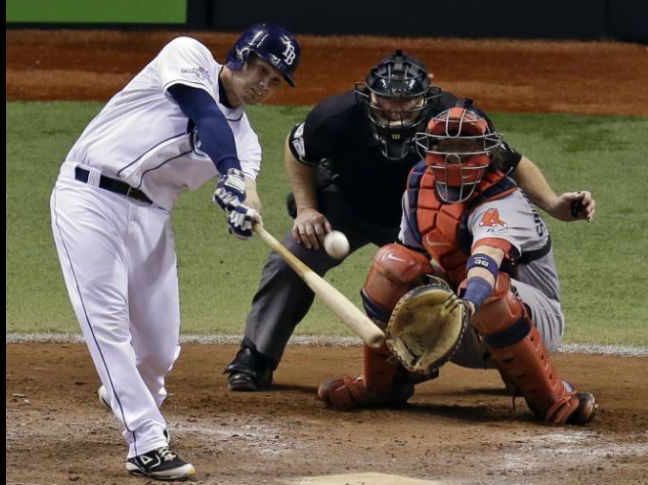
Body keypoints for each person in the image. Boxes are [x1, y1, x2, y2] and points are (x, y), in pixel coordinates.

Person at [223, 49, 595, 391]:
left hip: (426, 221)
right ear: (369, 94)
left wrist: (553, 204)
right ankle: (256, 357)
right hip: (347, 209)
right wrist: (307, 209)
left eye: (406, 101)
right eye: (386, 100)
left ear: (425, 97)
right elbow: (297, 149)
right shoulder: (337, 115)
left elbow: (509, 162)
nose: (396, 110)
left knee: (482, 279)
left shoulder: (453, 119)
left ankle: (508, 364)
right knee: (292, 257)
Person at [49, 23, 300, 481]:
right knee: (107, 325)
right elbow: (203, 112)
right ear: (240, 55)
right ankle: (146, 441)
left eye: (276, 79)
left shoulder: (247, 143)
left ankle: (128, 392)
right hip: (89, 197)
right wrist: (227, 172)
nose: (264, 83)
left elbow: (249, 189)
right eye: (261, 69)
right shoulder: (189, 56)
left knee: (161, 350)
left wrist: (244, 211)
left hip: (151, 219)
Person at [316, 104, 597, 425]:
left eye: (465, 148)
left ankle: (553, 398)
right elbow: (412, 260)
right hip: (457, 322)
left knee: (490, 290)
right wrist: (422, 307)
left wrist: (462, 308)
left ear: (488, 153)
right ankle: (382, 385)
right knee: (391, 264)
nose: (454, 158)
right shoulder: (419, 184)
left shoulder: (503, 200)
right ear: (430, 148)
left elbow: (484, 266)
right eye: (446, 147)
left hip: (531, 320)